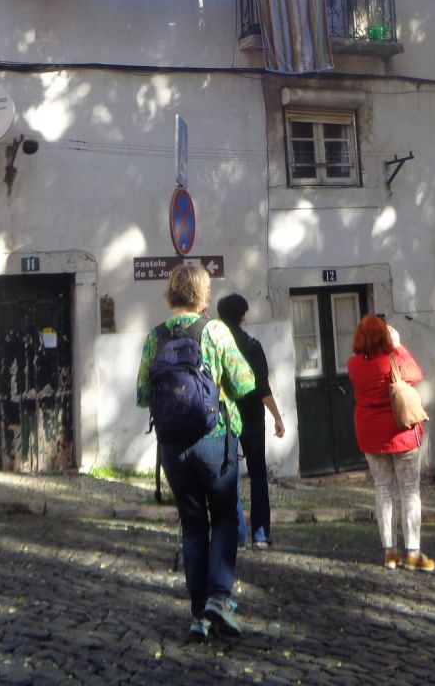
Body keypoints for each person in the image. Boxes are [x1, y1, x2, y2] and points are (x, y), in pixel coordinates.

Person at [136, 263, 255, 641]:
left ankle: (197, 614)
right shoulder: (215, 331)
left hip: (173, 447)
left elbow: (142, 395)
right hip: (215, 439)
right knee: (223, 519)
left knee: (191, 524)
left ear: (171, 293)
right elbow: (244, 382)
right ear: (203, 293)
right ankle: (219, 599)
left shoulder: (155, 337)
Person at [348, 315, 435, 572]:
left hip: (371, 435)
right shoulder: (393, 359)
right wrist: (398, 345)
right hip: (401, 434)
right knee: (409, 492)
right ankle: (414, 552)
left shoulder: (353, 365)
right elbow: (416, 374)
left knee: (383, 491)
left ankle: (389, 553)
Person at [215, 294, 285, 549]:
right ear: (243, 316)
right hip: (253, 416)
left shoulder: (217, 346)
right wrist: (277, 416)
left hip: (224, 417)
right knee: (257, 475)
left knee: (227, 476)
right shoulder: (252, 346)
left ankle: (235, 533)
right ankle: (261, 534)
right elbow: (262, 386)